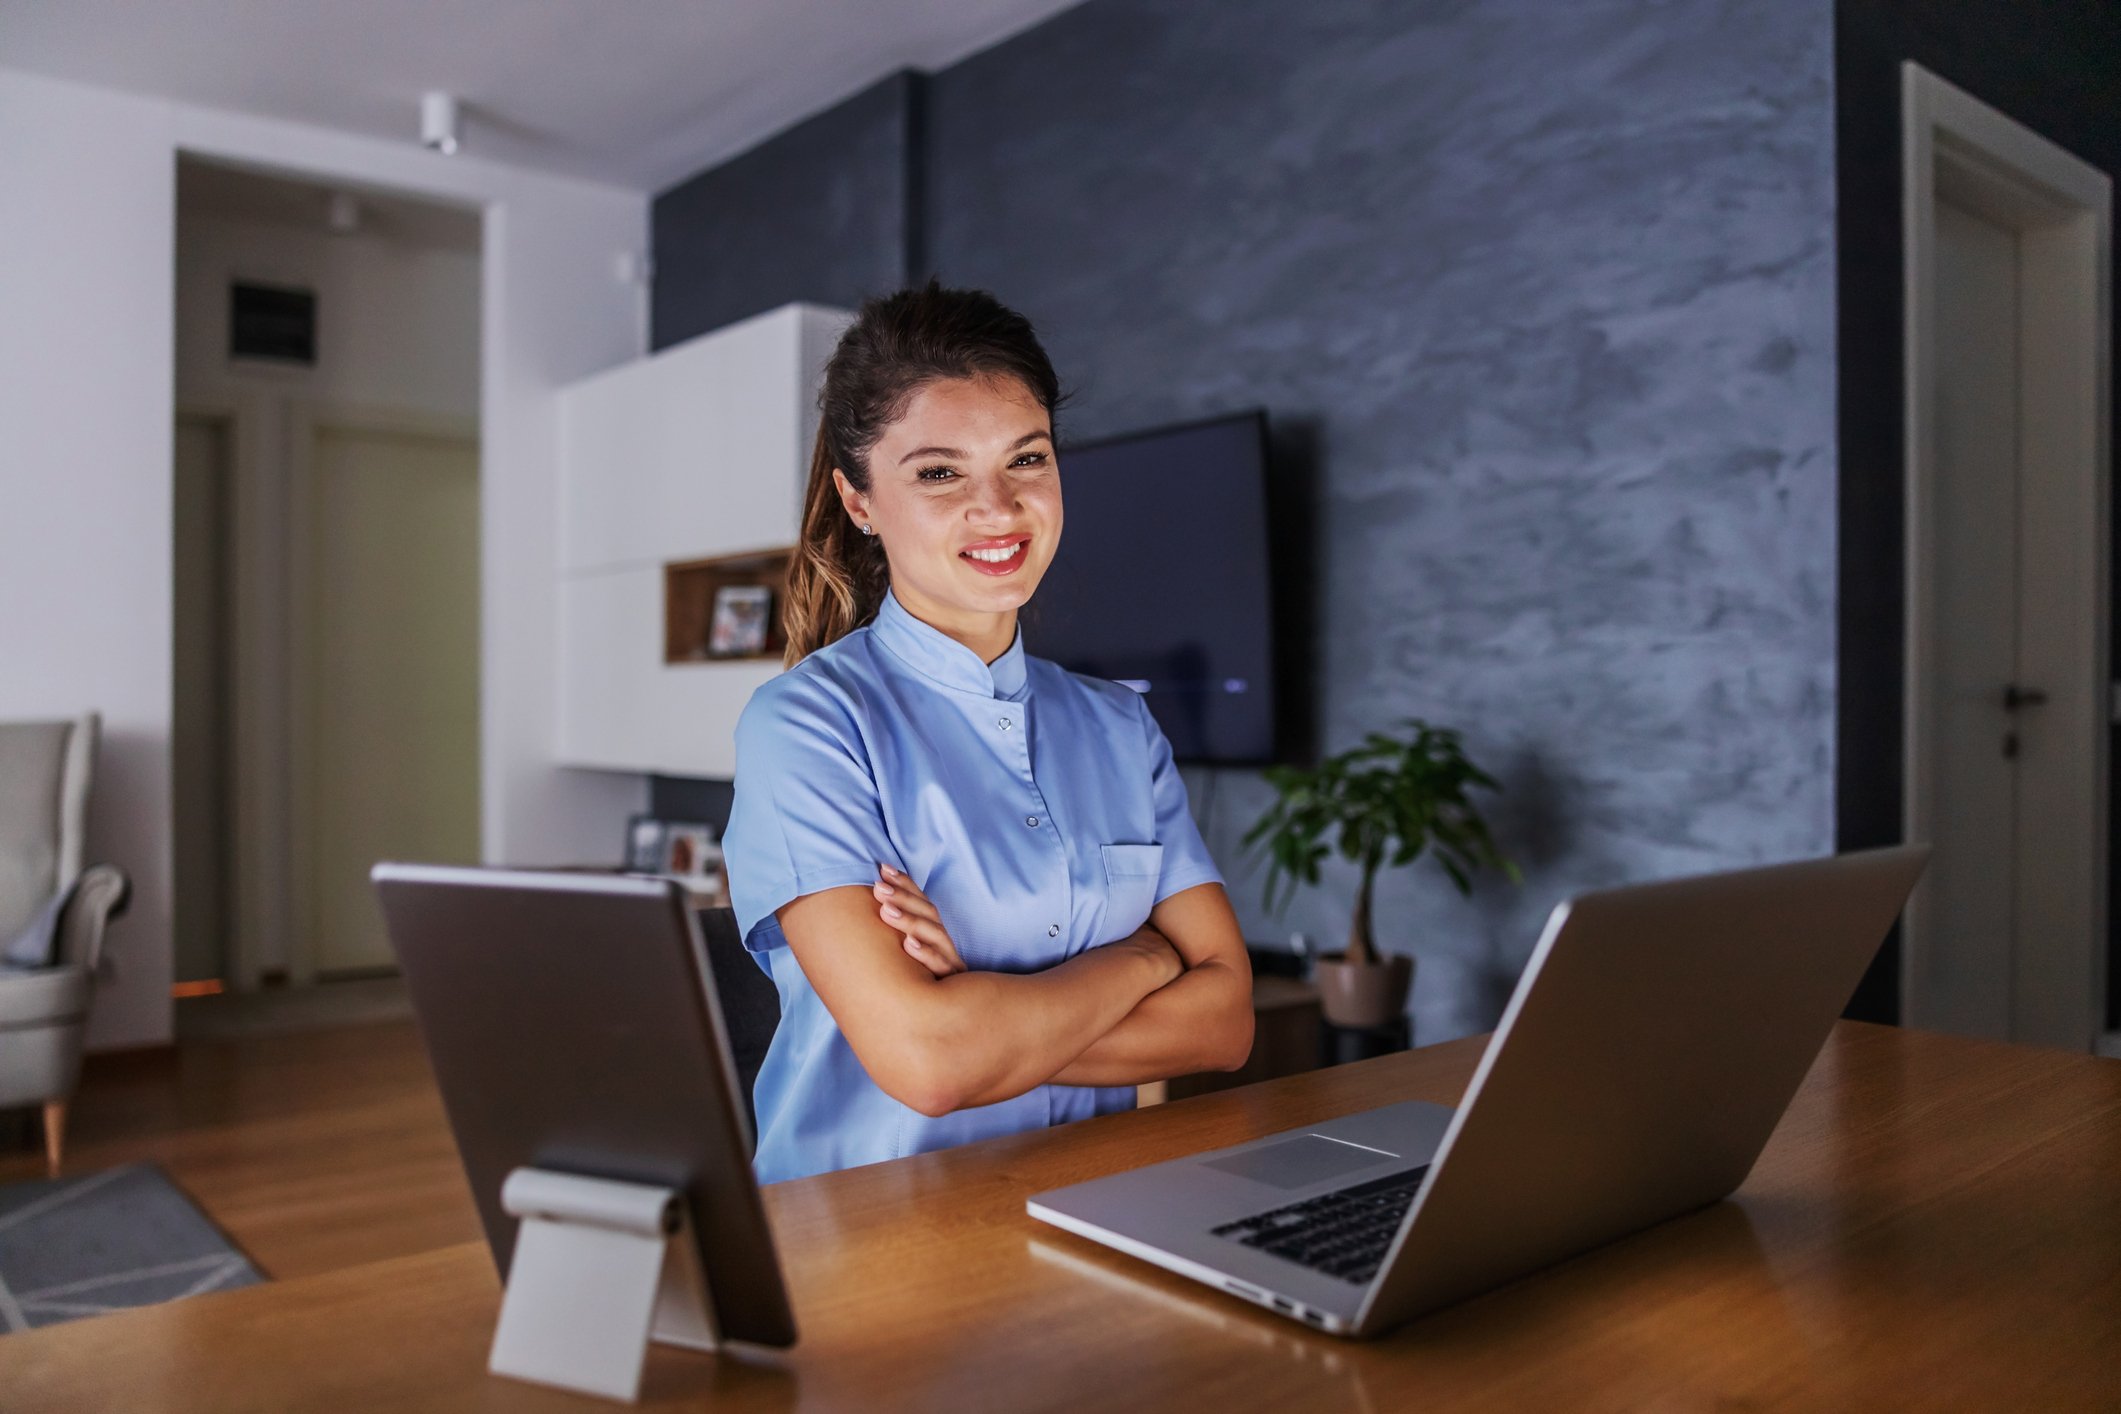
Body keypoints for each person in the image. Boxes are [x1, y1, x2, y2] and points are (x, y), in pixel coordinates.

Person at [723, 282, 1254, 1184]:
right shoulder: (808, 726)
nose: (999, 508)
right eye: (939, 472)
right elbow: (932, 1065)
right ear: (859, 502)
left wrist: (987, 1010)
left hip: (1088, 1215)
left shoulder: (1122, 727)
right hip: (866, 1235)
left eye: (1027, 459)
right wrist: (1145, 957)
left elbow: (1226, 1024)